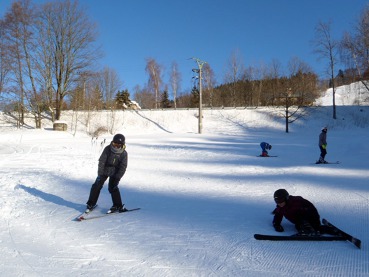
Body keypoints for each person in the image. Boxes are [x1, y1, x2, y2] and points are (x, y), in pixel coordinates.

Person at [86, 133, 128, 213]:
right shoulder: (108, 149)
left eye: (118, 145)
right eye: (115, 144)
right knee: (96, 185)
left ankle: (117, 205)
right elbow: (102, 161)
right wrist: (100, 174)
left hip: (115, 171)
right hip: (105, 169)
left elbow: (123, 167)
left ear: (122, 145)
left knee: (113, 187)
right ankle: (91, 203)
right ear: (112, 142)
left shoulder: (124, 153)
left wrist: (117, 177)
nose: (116, 146)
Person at [272, 189, 338, 236]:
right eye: (277, 201)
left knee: (314, 228)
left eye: (281, 200)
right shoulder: (280, 207)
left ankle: (329, 230)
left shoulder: (296, 203)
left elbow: (310, 211)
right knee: (298, 227)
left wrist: (306, 224)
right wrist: (277, 225)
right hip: (299, 221)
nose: (279, 203)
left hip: (311, 217)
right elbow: (278, 215)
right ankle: (306, 229)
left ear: (286, 198)